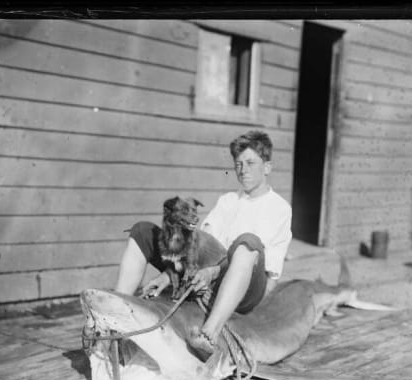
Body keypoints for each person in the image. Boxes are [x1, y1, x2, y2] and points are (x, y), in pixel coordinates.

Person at [115, 130, 292, 352]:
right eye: (238, 164)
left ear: (267, 167)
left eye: (250, 163)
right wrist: (169, 274)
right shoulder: (228, 201)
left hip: (248, 289)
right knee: (143, 231)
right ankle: (115, 313)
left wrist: (212, 273)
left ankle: (210, 334)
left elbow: (267, 274)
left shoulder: (279, 208)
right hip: (207, 276)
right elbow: (199, 247)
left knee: (247, 243)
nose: (243, 170)